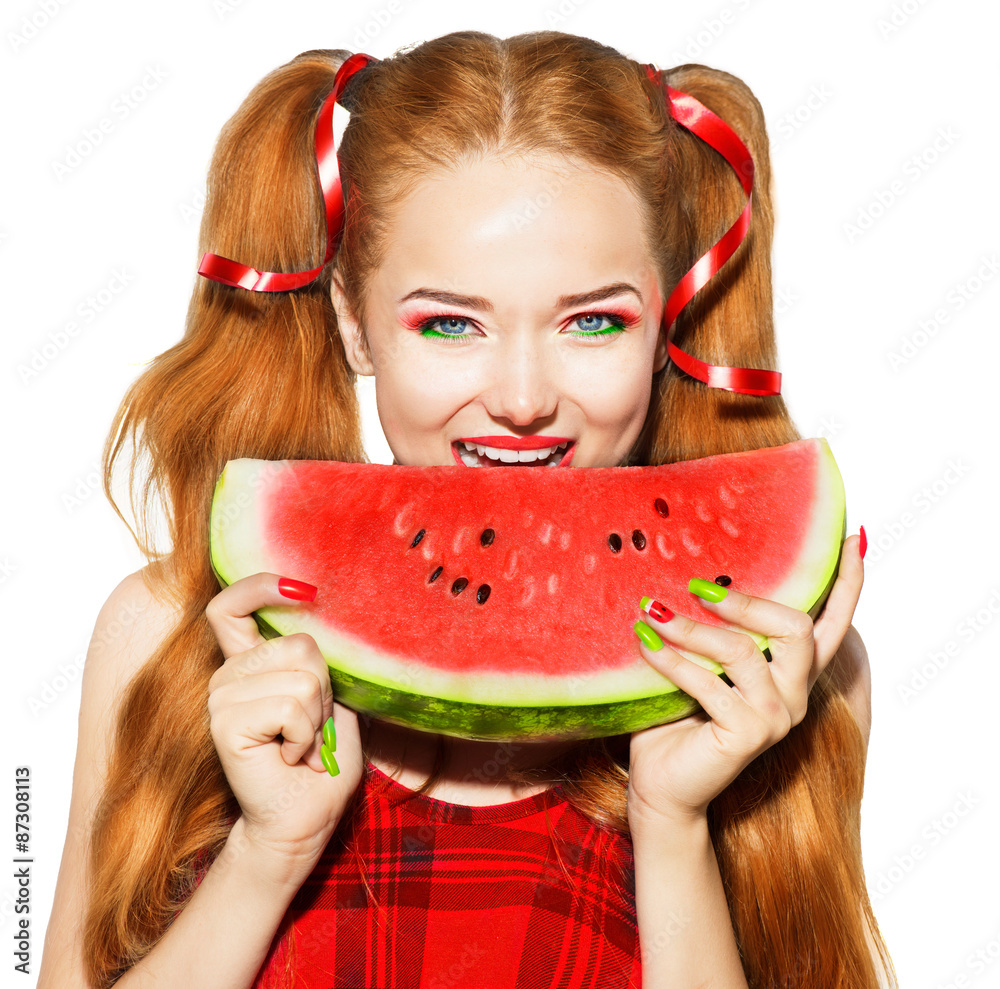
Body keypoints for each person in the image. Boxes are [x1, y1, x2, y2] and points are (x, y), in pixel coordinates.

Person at [38, 29, 898, 989]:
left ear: (666, 328)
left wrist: (673, 824)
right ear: (354, 324)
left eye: (594, 320)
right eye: (450, 322)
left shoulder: (782, 662)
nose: (524, 397)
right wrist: (267, 853)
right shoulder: (162, 633)